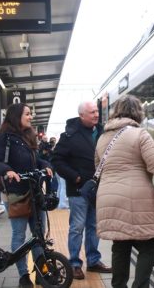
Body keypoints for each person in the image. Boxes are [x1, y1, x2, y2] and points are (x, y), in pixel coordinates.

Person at [95, 95, 154, 288]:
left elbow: (97, 168)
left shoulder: (103, 137)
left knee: (120, 245)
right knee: (148, 245)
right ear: (138, 112)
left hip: (108, 198)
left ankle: (119, 285)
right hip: (136, 198)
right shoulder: (140, 134)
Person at [0, 103, 53, 288]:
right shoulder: (3, 138)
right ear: (17, 116)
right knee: (19, 234)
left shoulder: (28, 136)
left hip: (35, 193)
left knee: (38, 234)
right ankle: (23, 275)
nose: (30, 117)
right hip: (16, 194)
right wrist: (7, 171)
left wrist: (46, 165)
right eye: (27, 114)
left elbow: (36, 160)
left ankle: (42, 272)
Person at [51, 100, 111, 279]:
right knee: (77, 227)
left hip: (98, 188)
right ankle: (74, 263)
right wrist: (75, 177)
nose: (96, 115)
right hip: (78, 190)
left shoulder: (103, 132)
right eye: (92, 112)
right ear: (82, 115)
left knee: (94, 226)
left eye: (96, 112)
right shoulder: (69, 135)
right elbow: (56, 160)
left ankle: (93, 261)